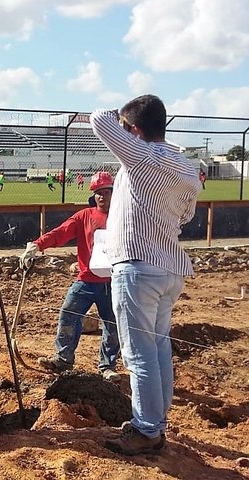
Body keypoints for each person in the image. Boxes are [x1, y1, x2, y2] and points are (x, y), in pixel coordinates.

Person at [90, 94, 201, 456]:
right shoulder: (183, 165)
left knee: (138, 354)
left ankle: (147, 428)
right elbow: (184, 218)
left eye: (128, 130)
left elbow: (98, 118)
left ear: (135, 130)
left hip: (137, 267)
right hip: (168, 268)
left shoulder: (141, 155)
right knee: (157, 347)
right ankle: (156, 422)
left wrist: (124, 127)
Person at [20, 172, 121, 380]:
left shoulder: (123, 218)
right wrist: (37, 245)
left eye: (107, 192)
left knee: (113, 324)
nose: (103, 197)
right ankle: (63, 359)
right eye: (98, 193)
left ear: (114, 193)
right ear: (94, 196)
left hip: (114, 282)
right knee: (68, 314)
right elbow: (61, 233)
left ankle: (107, 366)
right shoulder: (84, 216)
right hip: (85, 280)